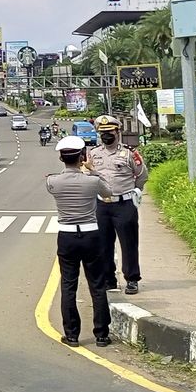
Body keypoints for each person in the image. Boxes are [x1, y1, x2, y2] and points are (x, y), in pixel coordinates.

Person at [47, 136, 115, 347]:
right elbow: (108, 193)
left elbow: (53, 185)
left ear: (60, 157)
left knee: (69, 285)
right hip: (91, 236)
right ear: (83, 157)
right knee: (97, 285)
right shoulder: (92, 181)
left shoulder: (52, 181)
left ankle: (72, 335)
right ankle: (102, 335)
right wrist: (92, 169)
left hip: (66, 236)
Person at [87, 115, 148, 295]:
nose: (106, 136)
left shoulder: (129, 153)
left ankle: (132, 279)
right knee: (103, 245)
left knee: (129, 244)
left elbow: (142, 175)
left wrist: (134, 192)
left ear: (118, 132)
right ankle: (109, 280)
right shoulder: (93, 154)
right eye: (103, 133)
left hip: (124, 204)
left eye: (110, 132)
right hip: (102, 206)